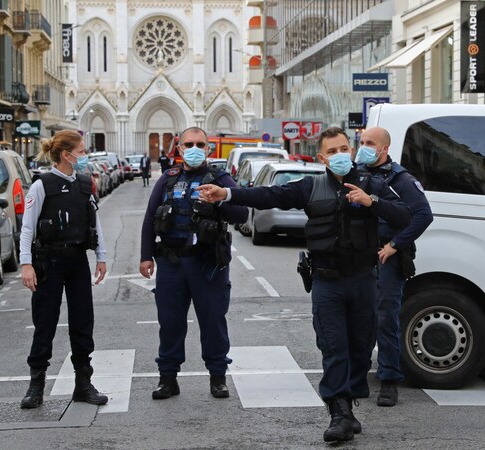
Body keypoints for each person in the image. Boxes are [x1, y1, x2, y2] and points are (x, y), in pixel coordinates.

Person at [197, 126, 411, 443]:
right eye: (332, 151)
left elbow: (407, 215)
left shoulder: (374, 184)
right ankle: (339, 412)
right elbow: (269, 195)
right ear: (322, 157)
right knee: (333, 346)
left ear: (351, 151)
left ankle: (348, 403)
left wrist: (372, 203)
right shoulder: (311, 187)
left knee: (360, 349)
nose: (340, 155)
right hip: (327, 281)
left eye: (344, 149)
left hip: (364, 280)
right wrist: (227, 193)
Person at [139, 126, 248, 400]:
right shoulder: (167, 179)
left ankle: (217, 378)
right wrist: (145, 255)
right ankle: (168, 378)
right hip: (172, 263)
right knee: (170, 322)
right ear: (179, 149)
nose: (194, 149)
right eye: (189, 144)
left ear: (209, 149)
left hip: (208, 264)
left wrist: (218, 199)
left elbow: (242, 213)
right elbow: (151, 218)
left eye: (200, 144)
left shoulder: (220, 178)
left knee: (213, 321)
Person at [19, 130, 109, 409]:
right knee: (45, 323)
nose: (84, 156)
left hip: (77, 261)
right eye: (81, 152)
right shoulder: (42, 185)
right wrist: (26, 264)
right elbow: (27, 228)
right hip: (49, 262)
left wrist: (101, 256)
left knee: (83, 322)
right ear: (66, 155)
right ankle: (36, 386)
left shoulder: (85, 184)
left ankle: (83, 384)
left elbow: (95, 222)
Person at [355, 127, 433, 407]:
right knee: (361, 318)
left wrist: (395, 245)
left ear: (384, 149)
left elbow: (423, 215)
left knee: (386, 318)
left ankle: (389, 380)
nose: (363, 147)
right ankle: (357, 377)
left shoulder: (400, 179)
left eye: (370, 143)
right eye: (361, 142)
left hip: (386, 256)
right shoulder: (356, 173)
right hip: (360, 256)